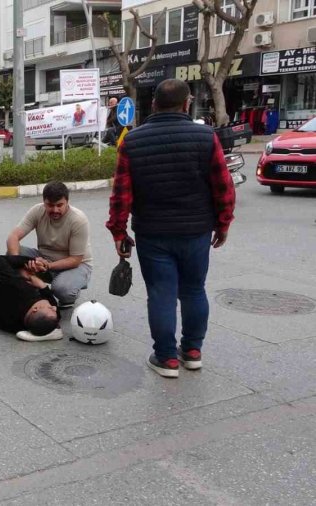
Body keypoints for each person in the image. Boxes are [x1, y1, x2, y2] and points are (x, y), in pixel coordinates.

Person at [106, 78, 235, 379]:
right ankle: (191, 352)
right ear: (187, 103)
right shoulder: (205, 137)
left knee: (161, 294)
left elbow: (121, 194)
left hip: (153, 234)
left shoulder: (133, 141)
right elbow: (223, 187)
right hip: (196, 231)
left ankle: (166, 358)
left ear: (153, 105)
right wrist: (223, 223)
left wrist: (118, 232)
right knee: (193, 290)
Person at [6, 181, 92, 310]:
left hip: (77, 265)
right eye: (50, 205)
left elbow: (75, 260)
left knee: (62, 290)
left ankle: (70, 289)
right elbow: (13, 237)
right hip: (44, 260)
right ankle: (26, 286)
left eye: (59, 205)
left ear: (67, 201)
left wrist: (47, 266)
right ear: (44, 202)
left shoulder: (78, 220)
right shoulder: (37, 211)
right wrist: (16, 260)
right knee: (11, 253)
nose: (55, 210)